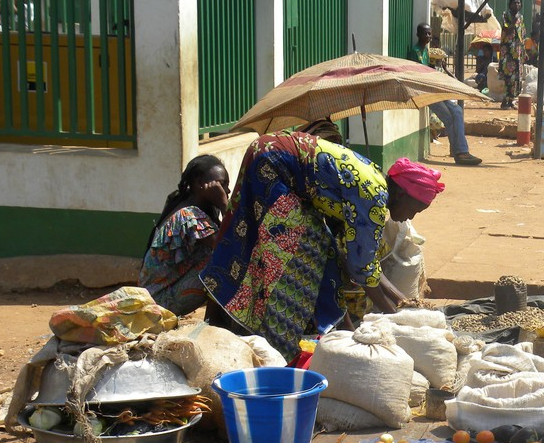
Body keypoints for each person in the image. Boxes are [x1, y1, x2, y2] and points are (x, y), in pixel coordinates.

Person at [201, 134, 443, 360]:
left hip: (267, 151)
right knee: (298, 259)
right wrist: (397, 317)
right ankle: (278, 344)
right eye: (415, 209)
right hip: (273, 165)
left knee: (323, 249)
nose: (410, 217)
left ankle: (329, 333)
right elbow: (362, 270)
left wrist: (405, 304)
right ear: (401, 194)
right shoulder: (375, 200)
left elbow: (365, 266)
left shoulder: (375, 180)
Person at [139, 155, 229, 317]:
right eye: (221, 184)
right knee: (224, 263)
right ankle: (216, 321)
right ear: (200, 183)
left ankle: (215, 319)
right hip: (158, 302)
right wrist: (224, 204)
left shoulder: (201, 211)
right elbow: (229, 246)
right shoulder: (189, 216)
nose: (226, 191)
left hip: (167, 293)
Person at [409, 24, 481, 166]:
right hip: (424, 91)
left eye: (430, 34)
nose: (428, 37)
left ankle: (460, 151)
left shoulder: (426, 52)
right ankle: (460, 152)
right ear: (418, 35)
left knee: (457, 111)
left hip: (434, 89)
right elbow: (416, 73)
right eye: (425, 34)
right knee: (448, 117)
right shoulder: (415, 51)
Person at [499, 0, 526, 109]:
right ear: (510, 4)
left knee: (516, 78)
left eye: (519, 3)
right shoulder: (506, 15)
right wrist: (513, 20)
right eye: (514, 3)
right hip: (508, 51)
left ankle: (511, 100)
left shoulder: (521, 17)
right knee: (508, 77)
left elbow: (522, 34)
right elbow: (507, 29)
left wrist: (524, 51)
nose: (517, 5)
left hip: (517, 51)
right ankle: (505, 101)